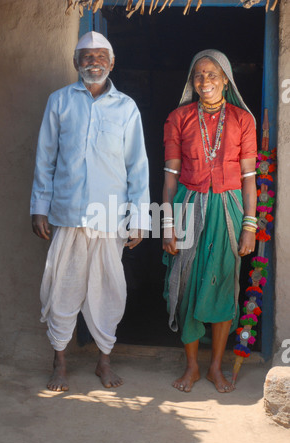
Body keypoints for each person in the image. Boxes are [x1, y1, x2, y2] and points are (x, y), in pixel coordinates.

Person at [30, 31, 150, 392]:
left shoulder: (126, 108)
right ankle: (60, 362)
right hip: (67, 214)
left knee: (108, 291)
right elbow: (45, 159)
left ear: (111, 63)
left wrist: (140, 220)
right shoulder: (60, 102)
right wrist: (39, 208)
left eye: (100, 56)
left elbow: (137, 167)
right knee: (61, 289)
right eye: (86, 56)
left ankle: (103, 361)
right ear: (75, 62)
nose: (93, 62)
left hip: (110, 217)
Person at [162, 49, 257, 393]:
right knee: (185, 286)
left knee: (221, 287)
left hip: (228, 210)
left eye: (213, 74)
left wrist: (249, 225)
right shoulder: (178, 118)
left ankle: (216, 367)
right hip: (187, 207)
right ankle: (192, 367)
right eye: (199, 75)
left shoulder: (243, 120)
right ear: (192, 81)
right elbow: (170, 177)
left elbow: (249, 178)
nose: (205, 82)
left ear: (226, 80)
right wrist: (168, 224)